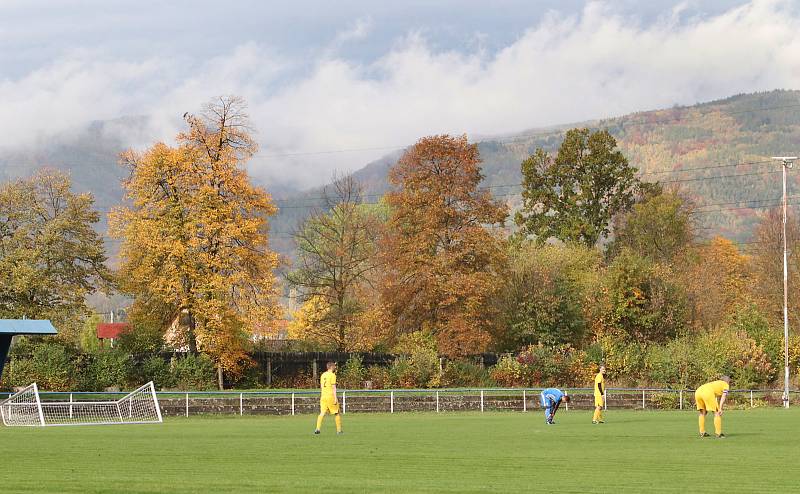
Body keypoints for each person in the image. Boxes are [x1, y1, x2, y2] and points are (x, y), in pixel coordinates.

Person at [314, 361, 342, 435]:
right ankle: (339, 430)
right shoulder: (332, 375)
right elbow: (333, 387)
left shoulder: (323, 375)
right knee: (337, 413)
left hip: (323, 396)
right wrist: (335, 398)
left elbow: (321, 386)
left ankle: (317, 428)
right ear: (332, 367)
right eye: (334, 366)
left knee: (322, 413)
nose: (335, 368)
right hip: (330, 396)